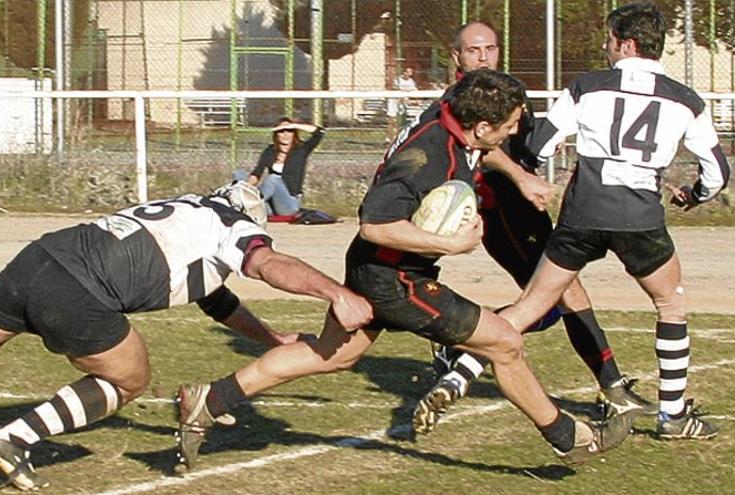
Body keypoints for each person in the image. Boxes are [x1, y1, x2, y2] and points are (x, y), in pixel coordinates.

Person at [174, 70, 636, 474]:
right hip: (397, 281)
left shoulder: (452, 118)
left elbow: (483, 152)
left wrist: (519, 176)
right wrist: (448, 243)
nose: (516, 133)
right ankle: (570, 438)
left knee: (333, 355)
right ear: (481, 126)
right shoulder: (429, 157)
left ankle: (209, 400)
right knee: (506, 342)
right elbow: (374, 223)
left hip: (379, 271)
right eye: (511, 126)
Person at [0, 181, 372, 491]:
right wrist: (334, 292)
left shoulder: (188, 211)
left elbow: (216, 300)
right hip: (81, 288)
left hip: (40, 256)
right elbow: (267, 264)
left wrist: (270, 336)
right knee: (129, 380)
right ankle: (12, 438)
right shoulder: (234, 228)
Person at [499, 2, 730, 440]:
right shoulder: (685, 99)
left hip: (584, 211)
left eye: (609, 40)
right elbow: (718, 173)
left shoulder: (587, 87)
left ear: (626, 43)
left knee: (533, 302)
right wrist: (694, 196)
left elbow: (541, 147)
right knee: (670, 304)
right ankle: (673, 416)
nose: (606, 48)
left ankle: (462, 370)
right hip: (640, 216)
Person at [414, 21, 655, 436]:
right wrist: (521, 177)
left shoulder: (507, 90)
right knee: (558, 294)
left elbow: (525, 140)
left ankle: (461, 342)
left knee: (552, 299)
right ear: (456, 57)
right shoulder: (455, 101)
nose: (484, 56)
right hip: (499, 212)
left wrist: (544, 147)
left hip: (523, 209)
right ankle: (611, 386)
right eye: (474, 50)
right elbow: (479, 150)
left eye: (490, 48)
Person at [240, 117, 324, 216]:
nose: (285, 135)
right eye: (281, 131)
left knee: (273, 178)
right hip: (270, 203)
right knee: (239, 174)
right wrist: (245, 187)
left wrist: (294, 125)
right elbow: (257, 173)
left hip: (289, 204)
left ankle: (248, 204)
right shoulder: (270, 151)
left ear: (294, 134)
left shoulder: (301, 150)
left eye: (289, 131)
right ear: (276, 134)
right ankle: (246, 202)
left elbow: (319, 132)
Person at [386, 66, 419, 142]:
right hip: (394, 102)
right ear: (404, 73)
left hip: (403, 104)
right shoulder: (398, 80)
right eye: (408, 72)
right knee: (392, 120)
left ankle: (399, 137)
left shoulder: (411, 81)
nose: (409, 74)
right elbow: (395, 89)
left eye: (410, 72)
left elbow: (415, 91)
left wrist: (416, 100)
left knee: (401, 120)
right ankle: (389, 137)